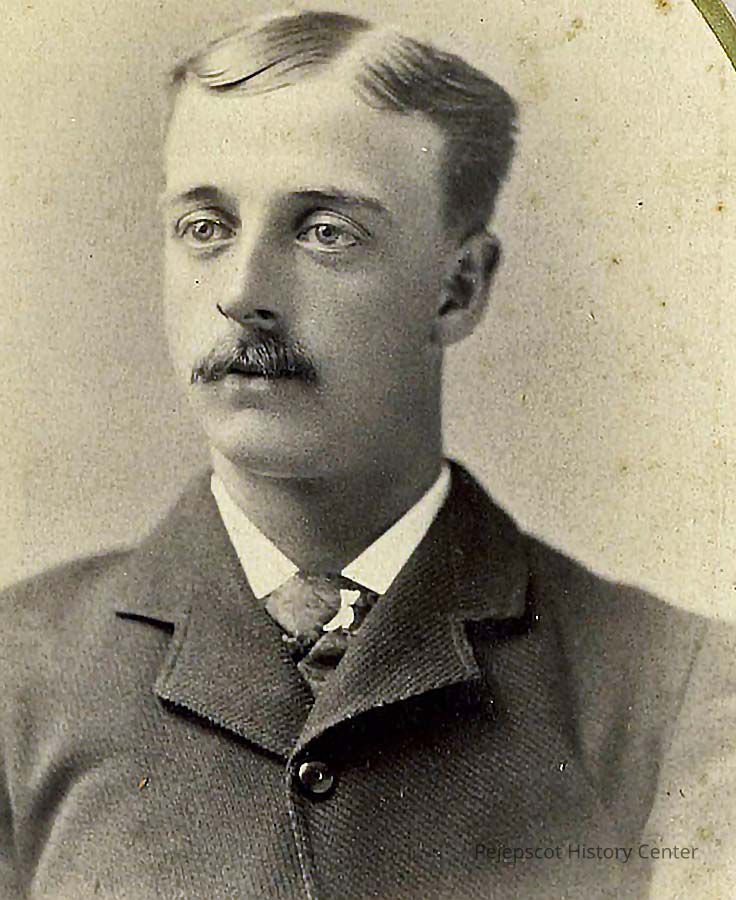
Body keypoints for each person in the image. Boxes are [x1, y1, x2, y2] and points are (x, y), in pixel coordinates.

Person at [1, 9, 733, 899]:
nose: (242, 292)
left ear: (457, 289)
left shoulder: (673, 687)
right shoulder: (16, 672)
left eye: (326, 231)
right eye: (205, 226)